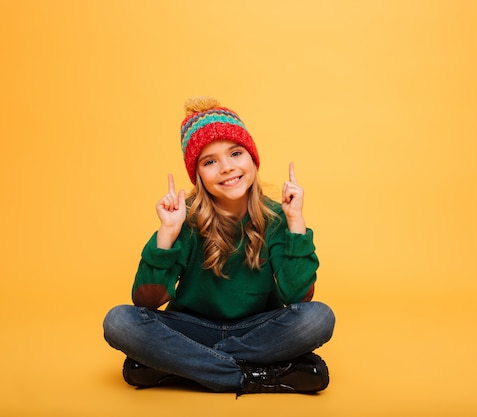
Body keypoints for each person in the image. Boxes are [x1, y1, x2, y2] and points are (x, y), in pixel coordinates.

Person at [103, 96, 335, 396]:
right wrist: (168, 232)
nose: (226, 168)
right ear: (198, 175)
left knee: (318, 318)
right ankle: (251, 376)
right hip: (191, 328)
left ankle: (179, 366)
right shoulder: (183, 218)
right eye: (210, 161)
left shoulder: (277, 217)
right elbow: (146, 302)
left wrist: (295, 220)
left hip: (256, 330)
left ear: (252, 159)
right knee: (119, 321)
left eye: (235, 153)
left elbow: (298, 298)